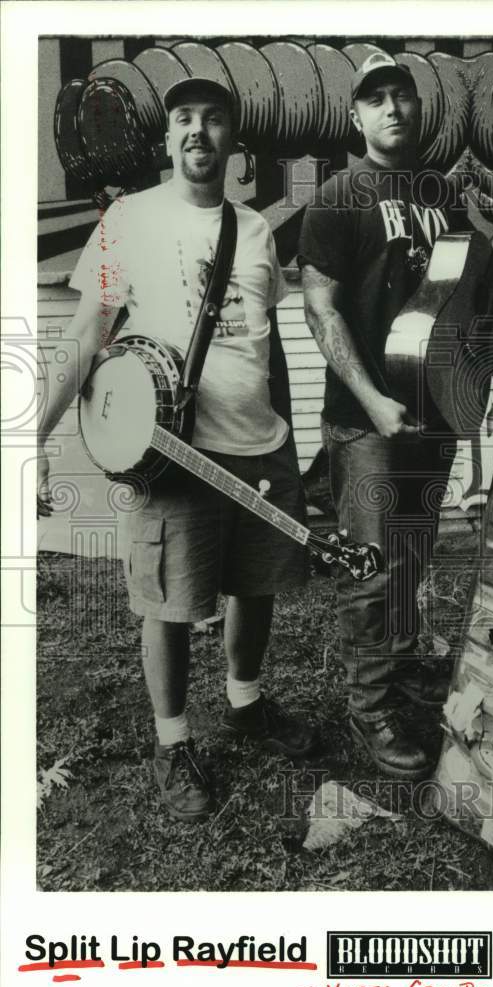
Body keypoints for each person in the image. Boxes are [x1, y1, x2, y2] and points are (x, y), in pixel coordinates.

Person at [37, 77, 315, 823]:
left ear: (234, 141)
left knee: (254, 586)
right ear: (166, 139)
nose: (198, 131)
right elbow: (84, 332)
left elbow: (270, 341)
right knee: (169, 599)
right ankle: (172, 741)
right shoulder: (127, 220)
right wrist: (32, 436)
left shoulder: (254, 229)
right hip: (175, 451)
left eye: (214, 119)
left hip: (261, 447)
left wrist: (290, 433)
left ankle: (245, 701)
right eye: (183, 118)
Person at [297, 53, 470, 779]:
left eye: (403, 95)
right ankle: (368, 706)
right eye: (377, 99)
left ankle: (398, 670)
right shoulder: (338, 194)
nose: (393, 108)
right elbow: (318, 306)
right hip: (365, 419)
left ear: (419, 110)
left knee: (411, 560)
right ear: (355, 116)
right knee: (371, 568)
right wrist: (371, 399)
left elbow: (459, 304)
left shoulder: (444, 197)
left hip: (432, 415)